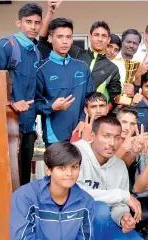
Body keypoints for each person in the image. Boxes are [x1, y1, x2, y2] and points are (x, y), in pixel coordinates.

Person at [73, 116, 148, 240]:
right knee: (99, 208)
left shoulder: (119, 166)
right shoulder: (76, 153)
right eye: (106, 136)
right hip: (74, 221)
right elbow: (76, 192)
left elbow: (119, 204)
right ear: (93, 136)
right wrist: (124, 196)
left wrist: (123, 216)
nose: (112, 143)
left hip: (104, 222)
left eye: (117, 137)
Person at [0, 3, 42, 186]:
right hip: (7, 127)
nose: (33, 27)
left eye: (37, 23)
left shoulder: (36, 53)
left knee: (24, 178)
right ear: (19, 23)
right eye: (28, 22)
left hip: (28, 127)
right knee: (6, 179)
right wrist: (11, 103)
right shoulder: (5, 46)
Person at [40, 3, 121, 105]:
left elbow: (114, 99)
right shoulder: (76, 52)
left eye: (104, 36)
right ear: (90, 36)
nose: (100, 39)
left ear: (108, 39)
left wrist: (99, 113)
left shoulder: (112, 68)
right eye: (96, 35)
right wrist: (50, 13)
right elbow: (43, 40)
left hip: (93, 117)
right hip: (66, 110)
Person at [35, 18, 94, 146]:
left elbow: (90, 98)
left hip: (81, 133)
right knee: (58, 166)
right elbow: (35, 104)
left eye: (68, 37)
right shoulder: (41, 69)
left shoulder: (82, 67)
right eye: (60, 37)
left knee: (81, 166)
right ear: (50, 39)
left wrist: (83, 120)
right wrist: (51, 107)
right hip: (55, 136)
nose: (65, 41)